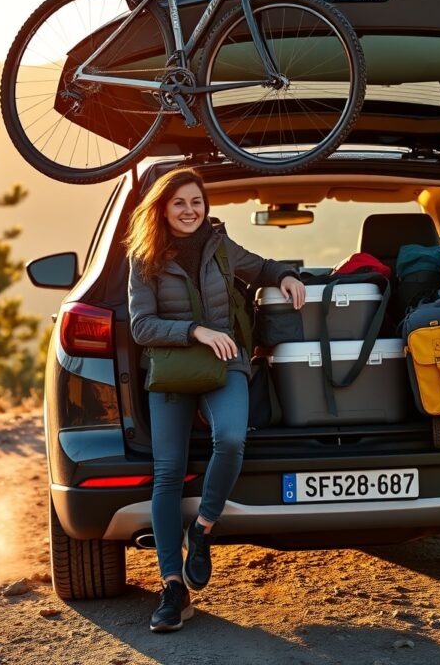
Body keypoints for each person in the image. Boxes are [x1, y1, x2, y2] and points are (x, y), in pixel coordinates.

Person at [125, 166, 305, 632]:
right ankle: (172, 587)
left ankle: (203, 528)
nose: (189, 211)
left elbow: (261, 267)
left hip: (226, 364)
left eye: (196, 202)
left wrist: (285, 276)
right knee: (167, 472)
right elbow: (141, 326)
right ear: (163, 209)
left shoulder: (220, 246)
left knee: (230, 439)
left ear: (206, 207)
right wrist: (195, 331)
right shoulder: (143, 256)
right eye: (179, 203)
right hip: (172, 369)